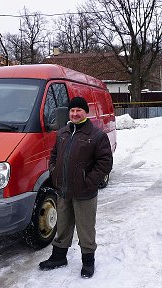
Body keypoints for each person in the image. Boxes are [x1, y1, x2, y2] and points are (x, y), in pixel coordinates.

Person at [39, 96, 113, 278]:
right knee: (62, 225)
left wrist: (88, 182)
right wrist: (54, 171)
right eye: (72, 111)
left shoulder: (96, 135)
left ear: (85, 113)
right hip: (63, 189)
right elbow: (54, 155)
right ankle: (59, 257)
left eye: (78, 110)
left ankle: (88, 262)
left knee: (85, 228)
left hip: (85, 192)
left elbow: (105, 163)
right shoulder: (63, 133)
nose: (75, 113)